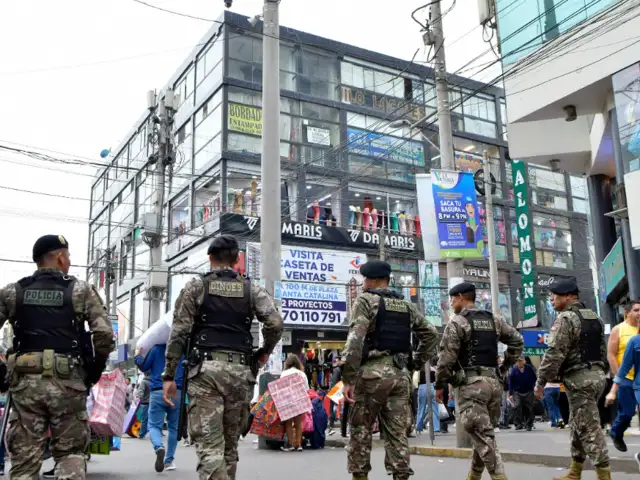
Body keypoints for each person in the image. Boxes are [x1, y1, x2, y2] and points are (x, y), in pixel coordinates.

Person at [162, 234, 283, 480]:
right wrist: (265, 351)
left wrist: (169, 375)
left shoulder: (196, 287)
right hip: (240, 374)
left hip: (205, 372)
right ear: (238, 259)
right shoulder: (252, 289)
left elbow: (179, 333)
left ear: (210, 259)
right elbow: (275, 323)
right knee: (229, 448)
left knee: (210, 448)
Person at [0, 234, 113, 479]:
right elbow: (104, 334)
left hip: (25, 383)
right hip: (68, 382)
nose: (70, 261)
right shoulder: (80, 290)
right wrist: (93, 370)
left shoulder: (13, 292)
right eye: (68, 256)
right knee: (70, 453)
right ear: (60, 257)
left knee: (25, 457)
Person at [341, 260, 439, 480]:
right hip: (400, 376)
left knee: (361, 431)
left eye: (365, 279)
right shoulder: (406, 305)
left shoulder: (366, 300)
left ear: (374, 280)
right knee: (397, 435)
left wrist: (347, 378)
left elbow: (355, 340)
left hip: (370, 377)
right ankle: (401, 475)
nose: (364, 283)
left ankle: (360, 477)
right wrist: (414, 363)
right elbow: (431, 334)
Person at [435, 282, 524, 480]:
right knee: (483, 434)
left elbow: (446, 359)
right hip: (494, 385)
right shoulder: (494, 320)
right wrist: (504, 367)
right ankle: (474, 476)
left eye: (451, 299)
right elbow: (517, 341)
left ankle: (499, 476)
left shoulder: (458, 322)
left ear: (460, 297)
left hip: (472, 386)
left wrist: (440, 384)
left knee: (483, 436)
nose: (451, 304)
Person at [533, 278, 610, 480]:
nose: (551, 299)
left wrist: (541, 382)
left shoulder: (566, 319)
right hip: (598, 376)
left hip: (579, 379)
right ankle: (575, 471)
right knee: (577, 423)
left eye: (555, 295)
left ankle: (605, 475)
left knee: (589, 429)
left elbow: (554, 353)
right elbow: (603, 351)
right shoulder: (595, 318)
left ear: (568, 297)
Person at [136, 343, 184, 472]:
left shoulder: (156, 349)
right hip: (177, 390)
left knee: (153, 425)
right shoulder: (182, 349)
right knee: (173, 427)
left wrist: (138, 356)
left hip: (157, 390)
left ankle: (158, 447)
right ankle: (169, 461)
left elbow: (144, 366)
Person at [604, 327, 640, 471]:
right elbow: (623, 368)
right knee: (626, 413)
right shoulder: (635, 341)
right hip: (633, 384)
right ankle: (616, 432)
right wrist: (613, 391)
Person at [606, 300, 640, 451]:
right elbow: (611, 355)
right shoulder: (618, 329)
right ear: (628, 312)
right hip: (625, 378)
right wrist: (617, 379)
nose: (639, 314)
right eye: (636, 310)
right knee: (627, 413)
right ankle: (616, 432)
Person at [280, 354, 310, 452]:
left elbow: (280, 388)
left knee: (288, 423)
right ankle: (299, 444)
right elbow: (306, 389)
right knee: (298, 423)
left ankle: (291, 444)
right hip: (299, 400)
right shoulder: (302, 374)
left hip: (287, 400)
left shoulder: (284, 373)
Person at [508, 355, 537, 431]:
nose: (519, 362)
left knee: (529, 408)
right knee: (517, 406)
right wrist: (510, 393)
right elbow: (511, 382)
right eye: (518, 361)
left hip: (528, 391)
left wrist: (535, 387)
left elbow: (534, 378)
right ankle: (518, 424)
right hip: (517, 391)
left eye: (521, 361)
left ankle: (529, 424)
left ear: (524, 361)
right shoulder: (514, 370)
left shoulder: (529, 368)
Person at [136, 373, 151, 440]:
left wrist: (138, 398)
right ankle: (154, 433)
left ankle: (142, 434)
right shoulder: (153, 381)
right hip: (153, 402)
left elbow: (140, 392)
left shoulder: (144, 382)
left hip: (145, 403)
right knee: (153, 419)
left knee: (144, 419)